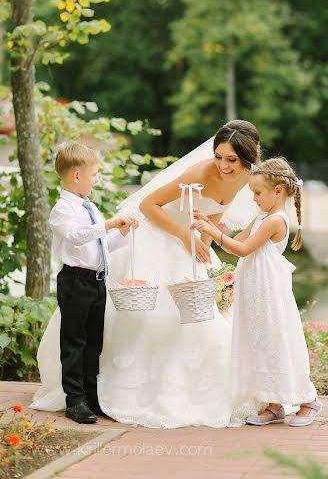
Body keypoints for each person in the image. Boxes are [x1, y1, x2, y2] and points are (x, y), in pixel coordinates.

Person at [32, 121, 262, 427]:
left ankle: (188, 385)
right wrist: (182, 236)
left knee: (200, 314)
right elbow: (149, 204)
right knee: (143, 318)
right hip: (159, 231)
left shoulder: (247, 178)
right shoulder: (200, 172)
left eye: (231, 160)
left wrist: (202, 247)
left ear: (248, 158)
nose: (223, 166)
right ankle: (88, 393)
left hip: (187, 239)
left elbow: (214, 209)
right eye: (219, 157)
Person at [192, 157, 322, 427]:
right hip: (254, 291)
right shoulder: (262, 216)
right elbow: (233, 244)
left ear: (278, 192)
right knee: (261, 342)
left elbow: (244, 249)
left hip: (269, 292)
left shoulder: (276, 220)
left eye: (257, 193)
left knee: (277, 341)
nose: (253, 198)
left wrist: (211, 232)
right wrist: (211, 226)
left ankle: (308, 399)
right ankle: (273, 404)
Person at [33, 142, 138, 424]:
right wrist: (110, 224)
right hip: (75, 282)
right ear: (77, 176)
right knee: (74, 342)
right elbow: (78, 236)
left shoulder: (89, 208)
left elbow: (101, 244)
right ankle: (75, 399)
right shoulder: (62, 210)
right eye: (94, 175)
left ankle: (92, 396)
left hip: (96, 281)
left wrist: (122, 233)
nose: (97, 179)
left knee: (94, 343)